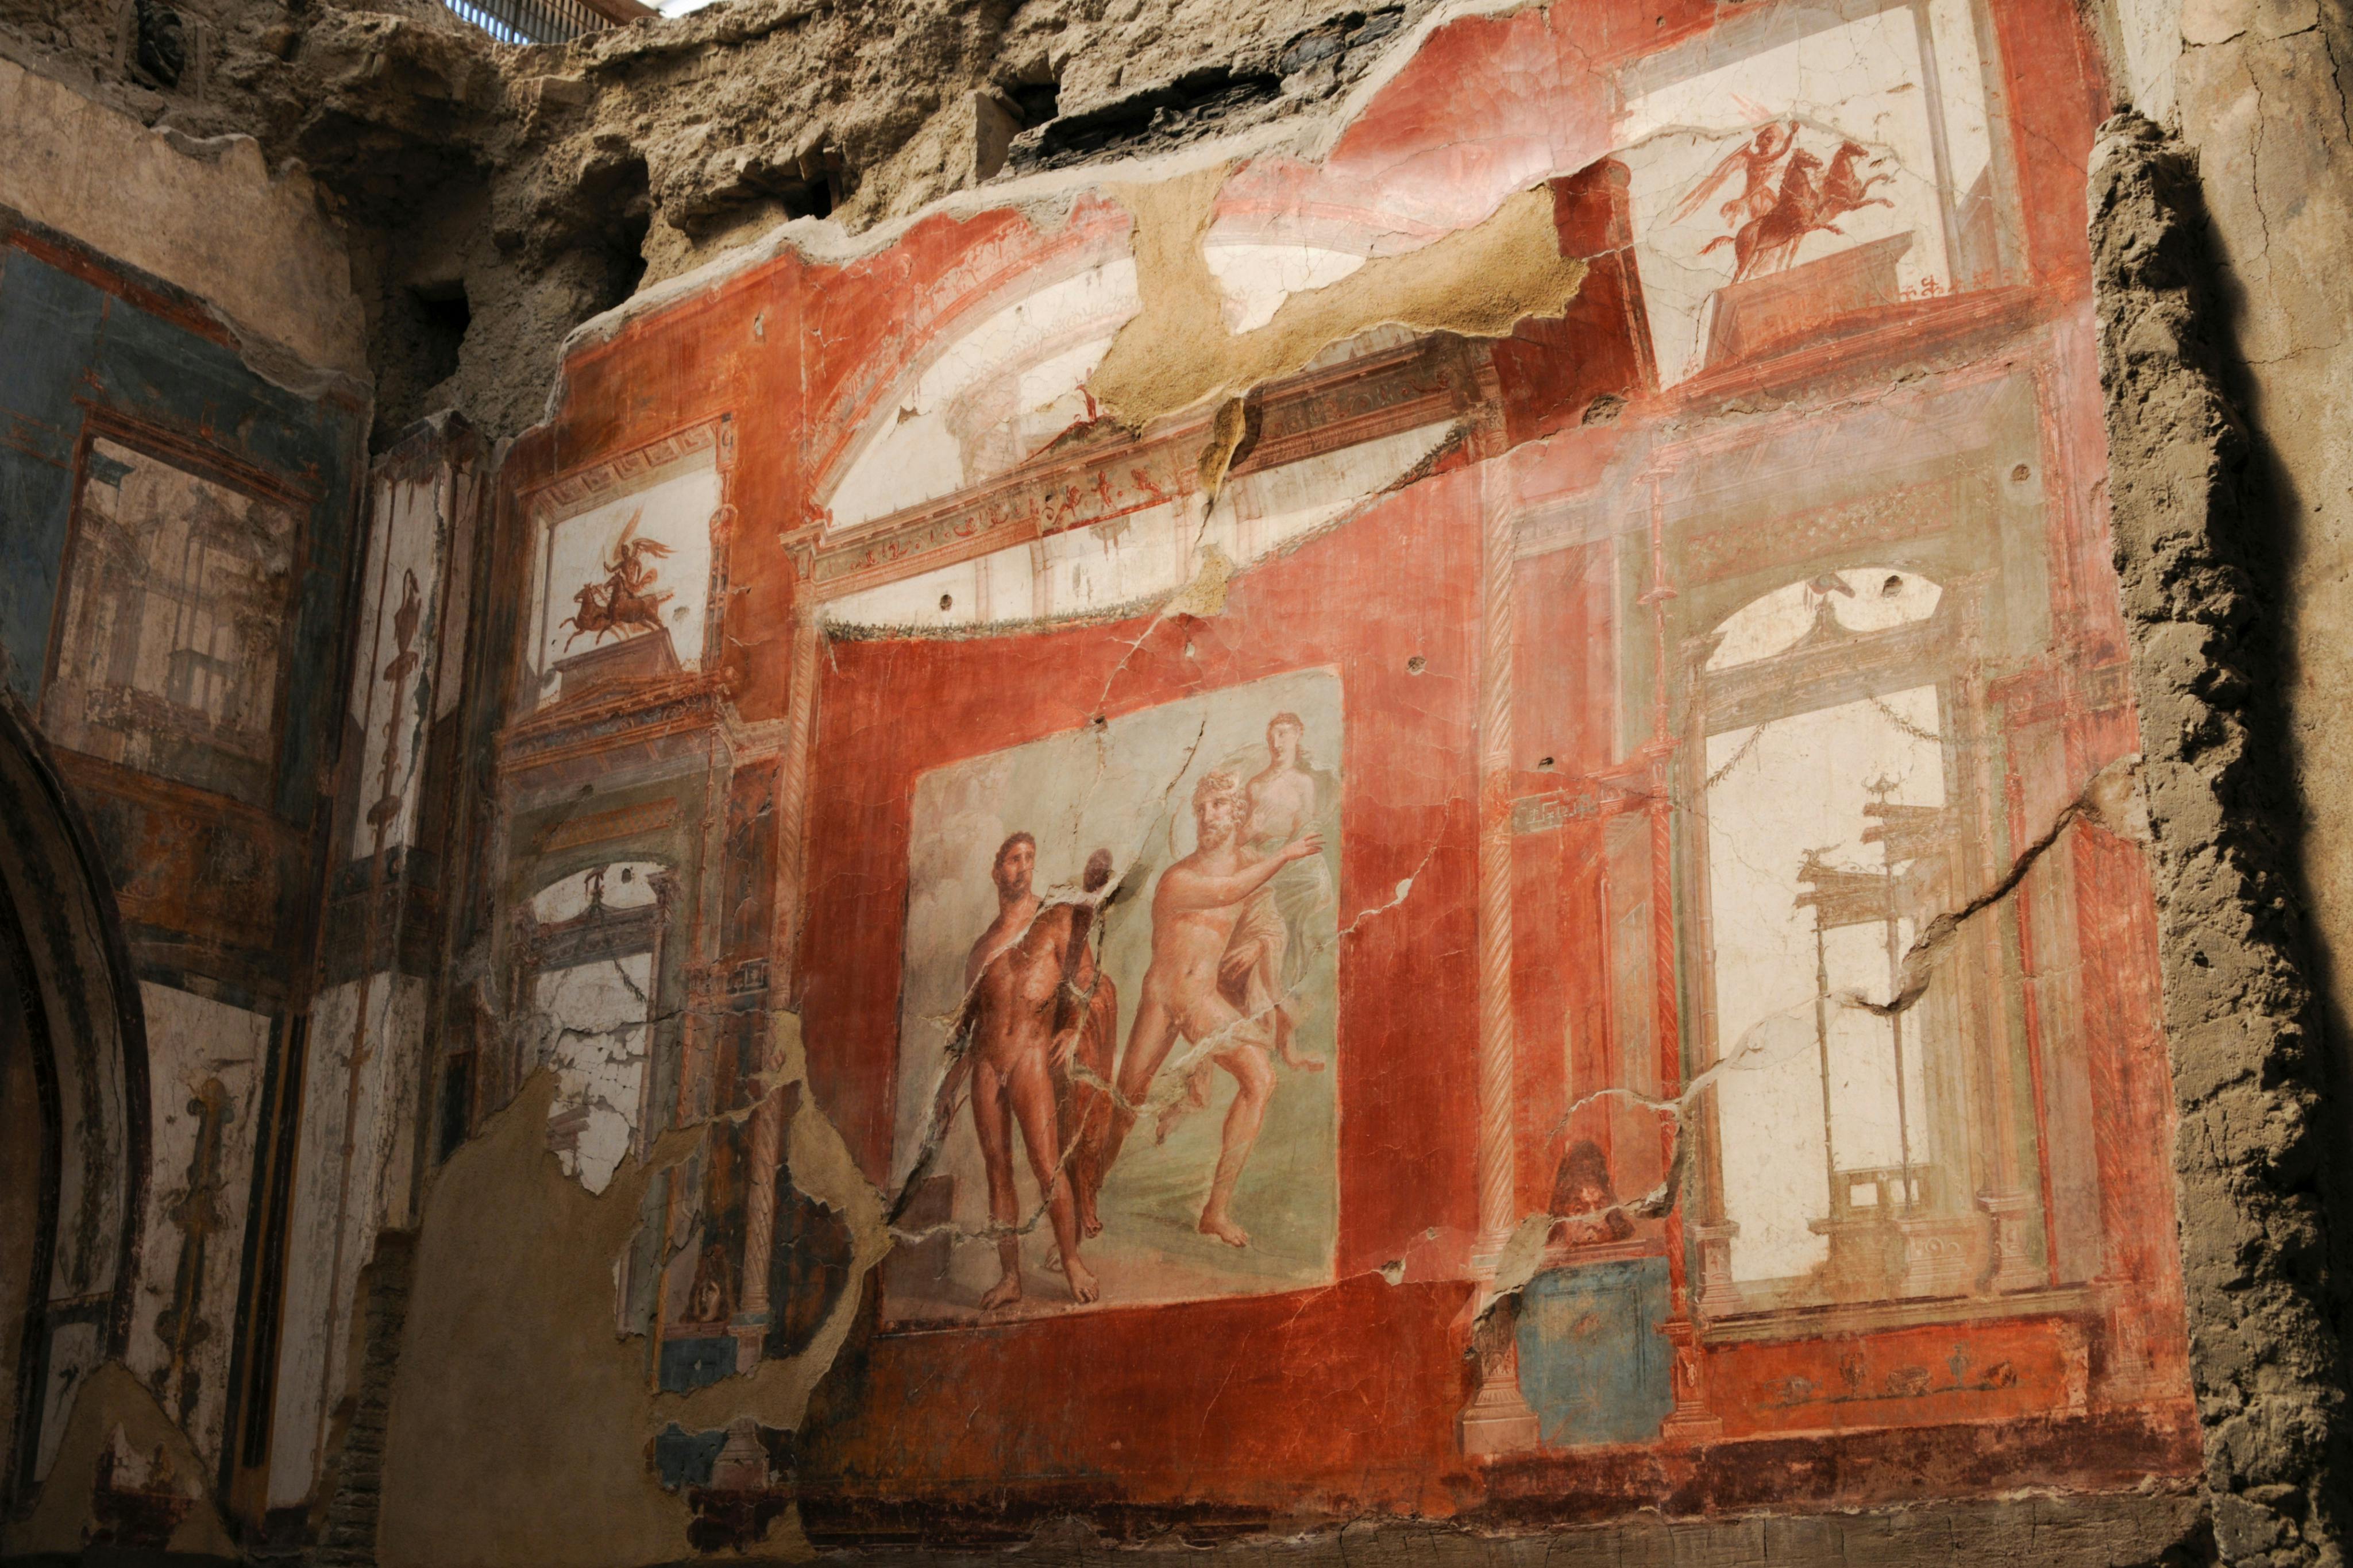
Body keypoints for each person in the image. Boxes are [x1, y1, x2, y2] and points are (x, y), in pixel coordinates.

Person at [1102, 771, 1324, 1247]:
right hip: (1163, 999)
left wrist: (1257, 947)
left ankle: (1215, 1211)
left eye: (1220, 805)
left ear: (1236, 812)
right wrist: (1285, 855)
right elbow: (1228, 893)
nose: (1209, 815)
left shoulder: (1246, 864)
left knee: (1261, 1080)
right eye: (1202, 808)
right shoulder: (1177, 878)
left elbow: (1267, 921)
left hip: (1203, 1000)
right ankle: (1086, 1192)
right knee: (1126, 1102)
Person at [952, 833, 1101, 1307]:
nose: (1023, 868)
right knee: (998, 1171)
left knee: (1047, 1167)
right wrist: (947, 1088)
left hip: (1032, 1058)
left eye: (1029, 859)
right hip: (986, 1065)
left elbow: (1084, 980)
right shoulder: (982, 947)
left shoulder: (1055, 920)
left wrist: (1074, 1029)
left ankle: (1072, 1261)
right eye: (1014, 860)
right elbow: (967, 1023)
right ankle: (1010, 1276)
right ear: (997, 872)